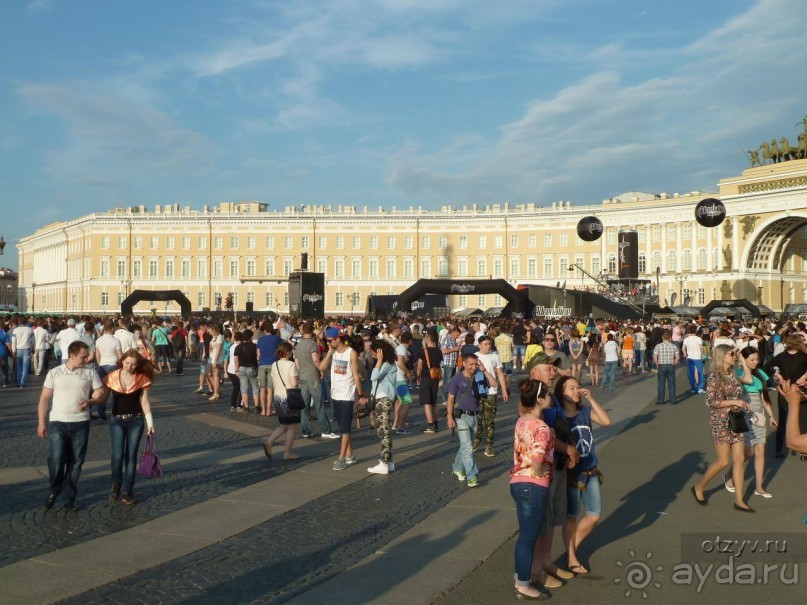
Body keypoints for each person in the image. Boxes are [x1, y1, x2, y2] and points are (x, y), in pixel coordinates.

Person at [37, 341, 107, 511]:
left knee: (76, 462)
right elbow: (45, 398)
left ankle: (69, 498)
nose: (87, 359)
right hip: (58, 421)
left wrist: (92, 400)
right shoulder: (55, 372)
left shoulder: (90, 373)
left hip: (81, 422)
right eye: (84, 356)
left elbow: (101, 395)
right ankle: (54, 489)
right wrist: (41, 422)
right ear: (72, 355)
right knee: (56, 459)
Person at [555, 376, 611, 576]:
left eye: (578, 387)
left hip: (591, 470)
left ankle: (571, 550)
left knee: (594, 515)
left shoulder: (585, 412)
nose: (576, 390)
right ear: (562, 392)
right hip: (571, 473)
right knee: (571, 518)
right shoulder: (559, 417)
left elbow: (606, 421)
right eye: (571, 388)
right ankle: (571, 556)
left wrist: (592, 399)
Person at [692, 345, 755, 512]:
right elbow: (711, 402)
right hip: (720, 421)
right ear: (721, 356)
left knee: (740, 459)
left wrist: (742, 359)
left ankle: (739, 500)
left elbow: (749, 380)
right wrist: (735, 402)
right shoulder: (715, 377)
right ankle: (699, 486)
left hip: (737, 419)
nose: (734, 356)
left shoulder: (733, 374)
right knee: (723, 461)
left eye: (734, 354)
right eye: (731, 354)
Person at [509, 378, 554, 601]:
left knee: (524, 535)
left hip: (517, 481)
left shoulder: (521, 422)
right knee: (528, 537)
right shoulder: (542, 427)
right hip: (533, 483)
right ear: (539, 399)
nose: (549, 398)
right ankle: (523, 585)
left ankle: (521, 578)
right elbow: (537, 457)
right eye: (546, 395)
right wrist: (540, 469)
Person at [103, 349, 155, 505]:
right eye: (127, 363)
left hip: (136, 420)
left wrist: (150, 422)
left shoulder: (142, 378)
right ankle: (115, 485)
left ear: (137, 365)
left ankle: (127, 490)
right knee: (117, 456)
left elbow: (144, 402)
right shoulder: (112, 377)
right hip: (117, 420)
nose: (129, 367)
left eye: (133, 364)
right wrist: (88, 402)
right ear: (122, 361)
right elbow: (102, 397)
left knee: (131, 457)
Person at [724, 347, 777, 498]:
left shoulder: (761, 374)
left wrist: (771, 415)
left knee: (760, 451)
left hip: (759, 416)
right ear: (744, 359)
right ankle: (729, 475)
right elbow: (745, 381)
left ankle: (759, 487)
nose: (755, 362)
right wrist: (740, 360)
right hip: (744, 416)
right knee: (746, 453)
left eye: (757, 359)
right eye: (751, 359)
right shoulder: (738, 375)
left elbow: (764, 398)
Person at [320, 330, 367, 470]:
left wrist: (361, 394)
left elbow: (356, 375)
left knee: (345, 428)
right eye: (327, 340)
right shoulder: (333, 352)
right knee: (342, 427)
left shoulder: (351, 353)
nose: (328, 343)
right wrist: (329, 352)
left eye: (330, 340)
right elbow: (321, 368)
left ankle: (341, 458)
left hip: (347, 394)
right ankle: (350, 454)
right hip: (335, 394)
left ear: (338, 339)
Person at [447, 353, 489, 488]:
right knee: (467, 447)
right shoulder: (456, 379)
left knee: (466, 446)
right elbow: (451, 399)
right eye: (471, 364)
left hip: (475, 415)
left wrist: (484, 370)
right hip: (461, 416)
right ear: (463, 364)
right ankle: (472, 476)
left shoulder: (479, 375)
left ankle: (457, 467)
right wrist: (449, 417)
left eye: (475, 364)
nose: (473, 366)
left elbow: (494, 384)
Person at [295, 322, 339, 439]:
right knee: (319, 405)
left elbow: (297, 363)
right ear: (312, 331)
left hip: (302, 377)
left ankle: (306, 431)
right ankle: (326, 430)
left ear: (302, 331)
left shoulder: (298, 345)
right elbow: (315, 359)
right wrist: (321, 368)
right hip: (312, 377)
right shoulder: (312, 344)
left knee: (304, 406)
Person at [769, 334, 807, 458]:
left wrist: (777, 377)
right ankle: (803, 450)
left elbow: (765, 366)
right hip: (801, 391)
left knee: (783, 420)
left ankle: (778, 448)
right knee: (802, 420)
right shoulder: (804, 356)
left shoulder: (782, 356)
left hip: (785, 391)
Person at [261, 342, 301, 460]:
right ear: (288, 352)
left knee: (284, 424)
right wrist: (299, 380)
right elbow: (293, 383)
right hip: (289, 397)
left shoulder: (274, 365)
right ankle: (287, 453)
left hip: (278, 397)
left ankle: (269, 441)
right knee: (292, 426)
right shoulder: (291, 365)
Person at [367, 339, 398, 475]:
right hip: (383, 397)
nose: (372, 354)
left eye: (374, 352)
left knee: (383, 431)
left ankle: (384, 462)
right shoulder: (389, 363)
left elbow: (374, 377)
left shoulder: (387, 364)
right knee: (384, 430)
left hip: (383, 398)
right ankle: (389, 461)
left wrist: (378, 362)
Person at [474, 335, 509, 457]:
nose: (488, 346)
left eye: (489, 344)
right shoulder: (474, 357)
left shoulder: (495, 356)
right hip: (477, 392)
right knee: (477, 419)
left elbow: (500, 374)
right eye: (485, 344)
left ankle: (489, 445)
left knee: (489, 420)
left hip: (491, 392)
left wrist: (504, 390)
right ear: (479, 345)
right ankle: (477, 439)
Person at [94, 319, 123, 421]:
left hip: (102, 365)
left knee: (103, 391)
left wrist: (99, 363)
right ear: (112, 328)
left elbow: (97, 354)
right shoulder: (115, 340)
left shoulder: (99, 340)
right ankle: (115, 412)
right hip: (113, 365)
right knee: (115, 391)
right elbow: (120, 356)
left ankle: (101, 414)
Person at [417, 331, 443, 433]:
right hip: (435, 378)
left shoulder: (424, 351)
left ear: (428, 339)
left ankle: (430, 425)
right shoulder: (438, 351)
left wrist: (418, 376)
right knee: (434, 402)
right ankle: (436, 424)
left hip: (426, 377)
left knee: (427, 403)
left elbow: (419, 365)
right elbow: (439, 365)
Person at [235, 329, 260, 413]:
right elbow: (258, 357)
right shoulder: (254, 346)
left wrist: (236, 370)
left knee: (244, 388)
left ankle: (246, 407)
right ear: (250, 337)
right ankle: (257, 406)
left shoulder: (238, 347)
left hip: (241, 368)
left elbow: (236, 360)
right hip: (252, 368)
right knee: (255, 388)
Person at [653, 329, 680, 405]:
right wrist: (674, 364)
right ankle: (673, 400)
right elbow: (677, 357)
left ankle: (660, 400)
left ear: (662, 337)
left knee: (661, 384)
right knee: (672, 384)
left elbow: (655, 357)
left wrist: (657, 364)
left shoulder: (658, 346)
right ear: (670, 337)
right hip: (670, 365)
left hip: (661, 365)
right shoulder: (673, 346)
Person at [682, 325, 705, 394]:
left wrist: (685, 354)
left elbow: (683, 348)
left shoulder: (686, 339)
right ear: (696, 331)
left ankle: (692, 388)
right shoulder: (698, 339)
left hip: (690, 357)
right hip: (697, 357)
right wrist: (702, 354)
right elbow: (701, 348)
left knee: (691, 373)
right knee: (700, 373)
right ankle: (700, 388)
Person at [11, 319, 34, 388]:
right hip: (27, 349)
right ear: (26, 322)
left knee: (19, 366)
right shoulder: (30, 329)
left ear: (19, 322)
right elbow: (33, 340)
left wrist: (13, 351)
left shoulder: (15, 330)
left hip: (18, 349)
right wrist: (33, 348)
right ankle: (22, 382)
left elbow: (13, 341)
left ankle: (19, 381)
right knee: (25, 366)